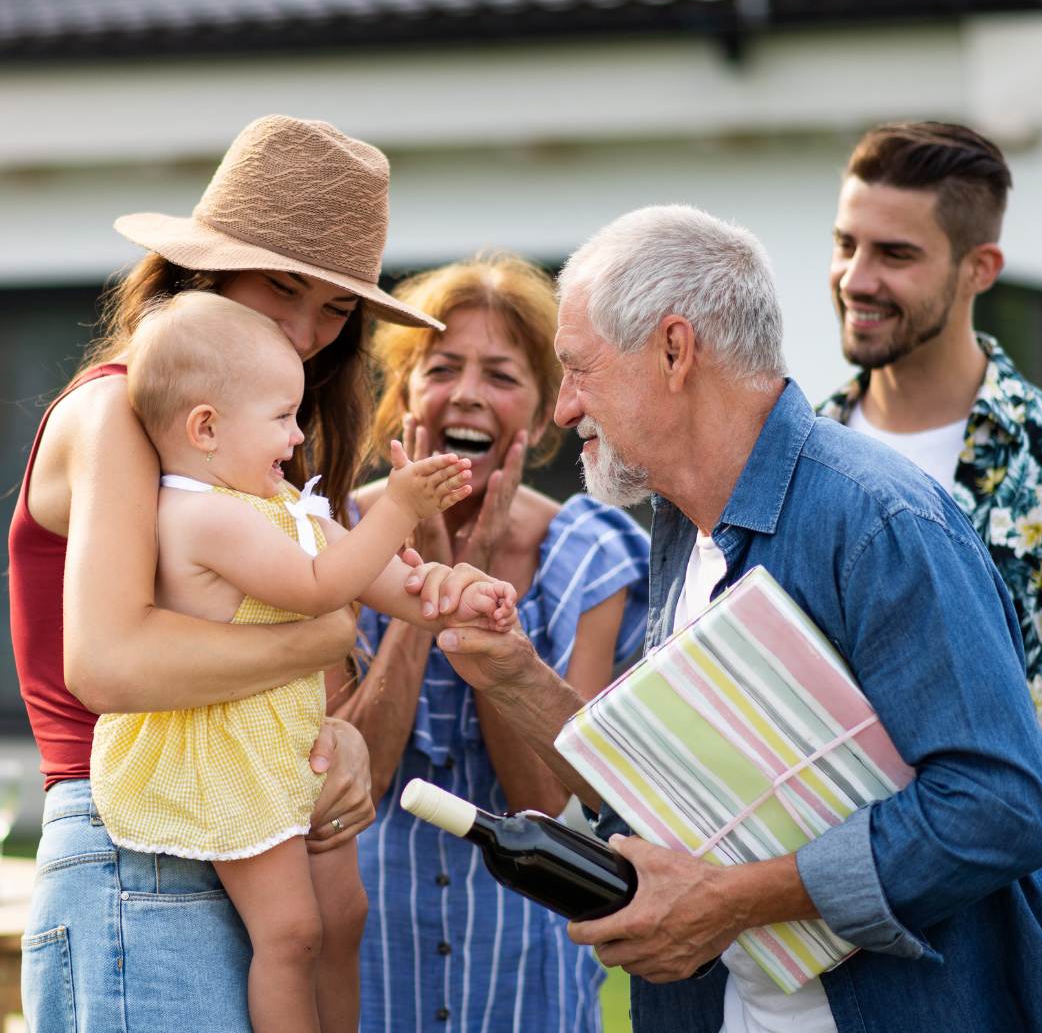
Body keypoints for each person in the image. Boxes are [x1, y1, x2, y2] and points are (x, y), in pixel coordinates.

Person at [431, 206, 1042, 1032]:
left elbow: (1001, 807)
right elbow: (670, 794)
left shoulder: (880, 522)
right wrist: (513, 673)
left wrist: (727, 901)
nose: (563, 409)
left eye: (578, 369)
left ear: (675, 350)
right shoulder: (680, 524)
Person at [8, 114, 504, 1033]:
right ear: (202, 272)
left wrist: (336, 735)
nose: (307, 332)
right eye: (282, 288)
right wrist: (320, 635)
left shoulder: (255, 447)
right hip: (135, 842)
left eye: (337, 309)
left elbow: (262, 658)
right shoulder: (119, 411)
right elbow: (108, 665)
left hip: (238, 820)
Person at [88, 291, 515, 1033]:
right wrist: (398, 508)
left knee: (343, 914)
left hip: (282, 743)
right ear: (206, 428)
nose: (296, 434)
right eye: (282, 416)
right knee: (291, 933)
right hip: (229, 757)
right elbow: (321, 586)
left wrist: (449, 594)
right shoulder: (200, 515)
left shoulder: (273, 500)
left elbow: (381, 579)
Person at [333, 252, 650, 1032]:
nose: (468, 393)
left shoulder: (592, 553)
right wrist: (428, 594)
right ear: (404, 400)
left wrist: (475, 596)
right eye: (442, 369)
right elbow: (354, 786)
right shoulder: (331, 537)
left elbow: (545, 800)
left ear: (541, 416)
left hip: (524, 962)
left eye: (502, 375)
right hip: (369, 947)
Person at [817, 120, 1042, 894]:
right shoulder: (795, 459)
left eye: (895, 255)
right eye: (846, 244)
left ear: (979, 268)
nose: (855, 278)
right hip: (809, 922)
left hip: (1006, 933)